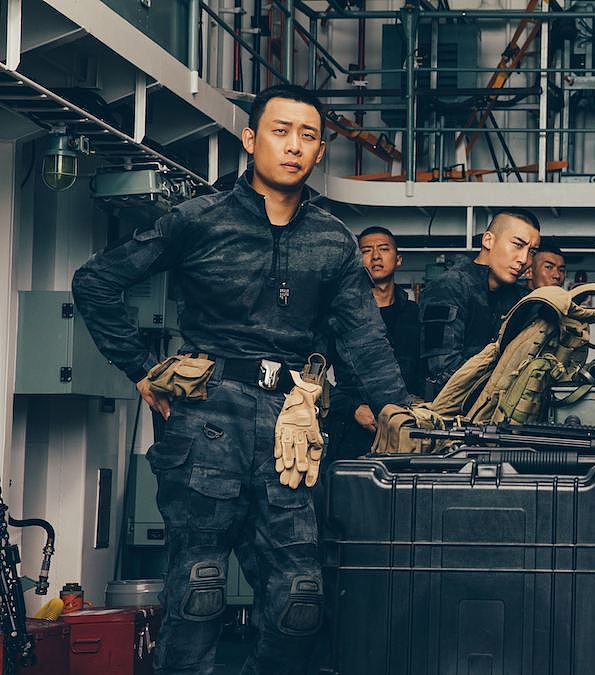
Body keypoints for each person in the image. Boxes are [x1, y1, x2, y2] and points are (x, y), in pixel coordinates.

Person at [71, 84, 410, 675]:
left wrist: (396, 408)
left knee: (301, 602)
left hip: (290, 424)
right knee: (199, 591)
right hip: (207, 417)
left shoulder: (333, 240)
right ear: (251, 140)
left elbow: (364, 338)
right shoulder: (198, 219)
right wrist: (141, 370)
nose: (294, 146)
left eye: (308, 136)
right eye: (281, 131)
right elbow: (96, 282)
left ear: (320, 151)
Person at [419, 208, 539, 398]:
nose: (524, 259)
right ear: (488, 240)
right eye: (517, 245)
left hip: (499, 408)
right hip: (451, 408)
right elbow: (442, 369)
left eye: (531, 251)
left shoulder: (522, 299)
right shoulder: (447, 287)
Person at [327, 226, 421, 457]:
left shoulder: (415, 315)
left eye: (384, 249)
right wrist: (352, 408)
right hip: (352, 431)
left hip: (406, 429)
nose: (376, 256)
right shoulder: (340, 316)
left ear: (398, 259)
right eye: (366, 250)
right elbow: (311, 378)